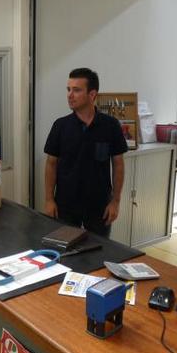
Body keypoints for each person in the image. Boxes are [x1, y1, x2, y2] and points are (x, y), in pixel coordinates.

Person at [43, 67, 128, 237]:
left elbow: (118, 165)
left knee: (98, 252)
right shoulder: (60, 126)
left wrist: (115, 201)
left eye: (76, 90)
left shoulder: (110, 126)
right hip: (65, 206)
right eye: (68, 89)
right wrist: (49, 199)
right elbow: (51, 164)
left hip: (99, 207)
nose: (70, 95)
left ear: (92, 94)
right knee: (65, 252)